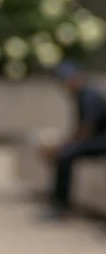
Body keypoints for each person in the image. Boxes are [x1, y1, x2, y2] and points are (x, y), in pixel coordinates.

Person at [39, 59, 106, 219]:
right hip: (97, 140)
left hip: (101, 142)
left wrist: (63, 147)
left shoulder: (89, 96)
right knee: (63, 154)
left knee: (65, 155)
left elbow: (86, 130)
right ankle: (59, 204)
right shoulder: (81, 95)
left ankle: (61, 206)